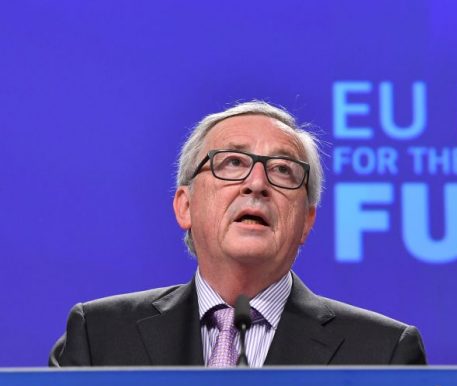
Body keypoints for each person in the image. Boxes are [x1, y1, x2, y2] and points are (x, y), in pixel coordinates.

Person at [49, 101, 426, 367]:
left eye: (282, 170)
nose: (256, 183)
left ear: (307, 221)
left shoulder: (382, 353)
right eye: (232, 162)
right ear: (185, 206)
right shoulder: (99, 335)